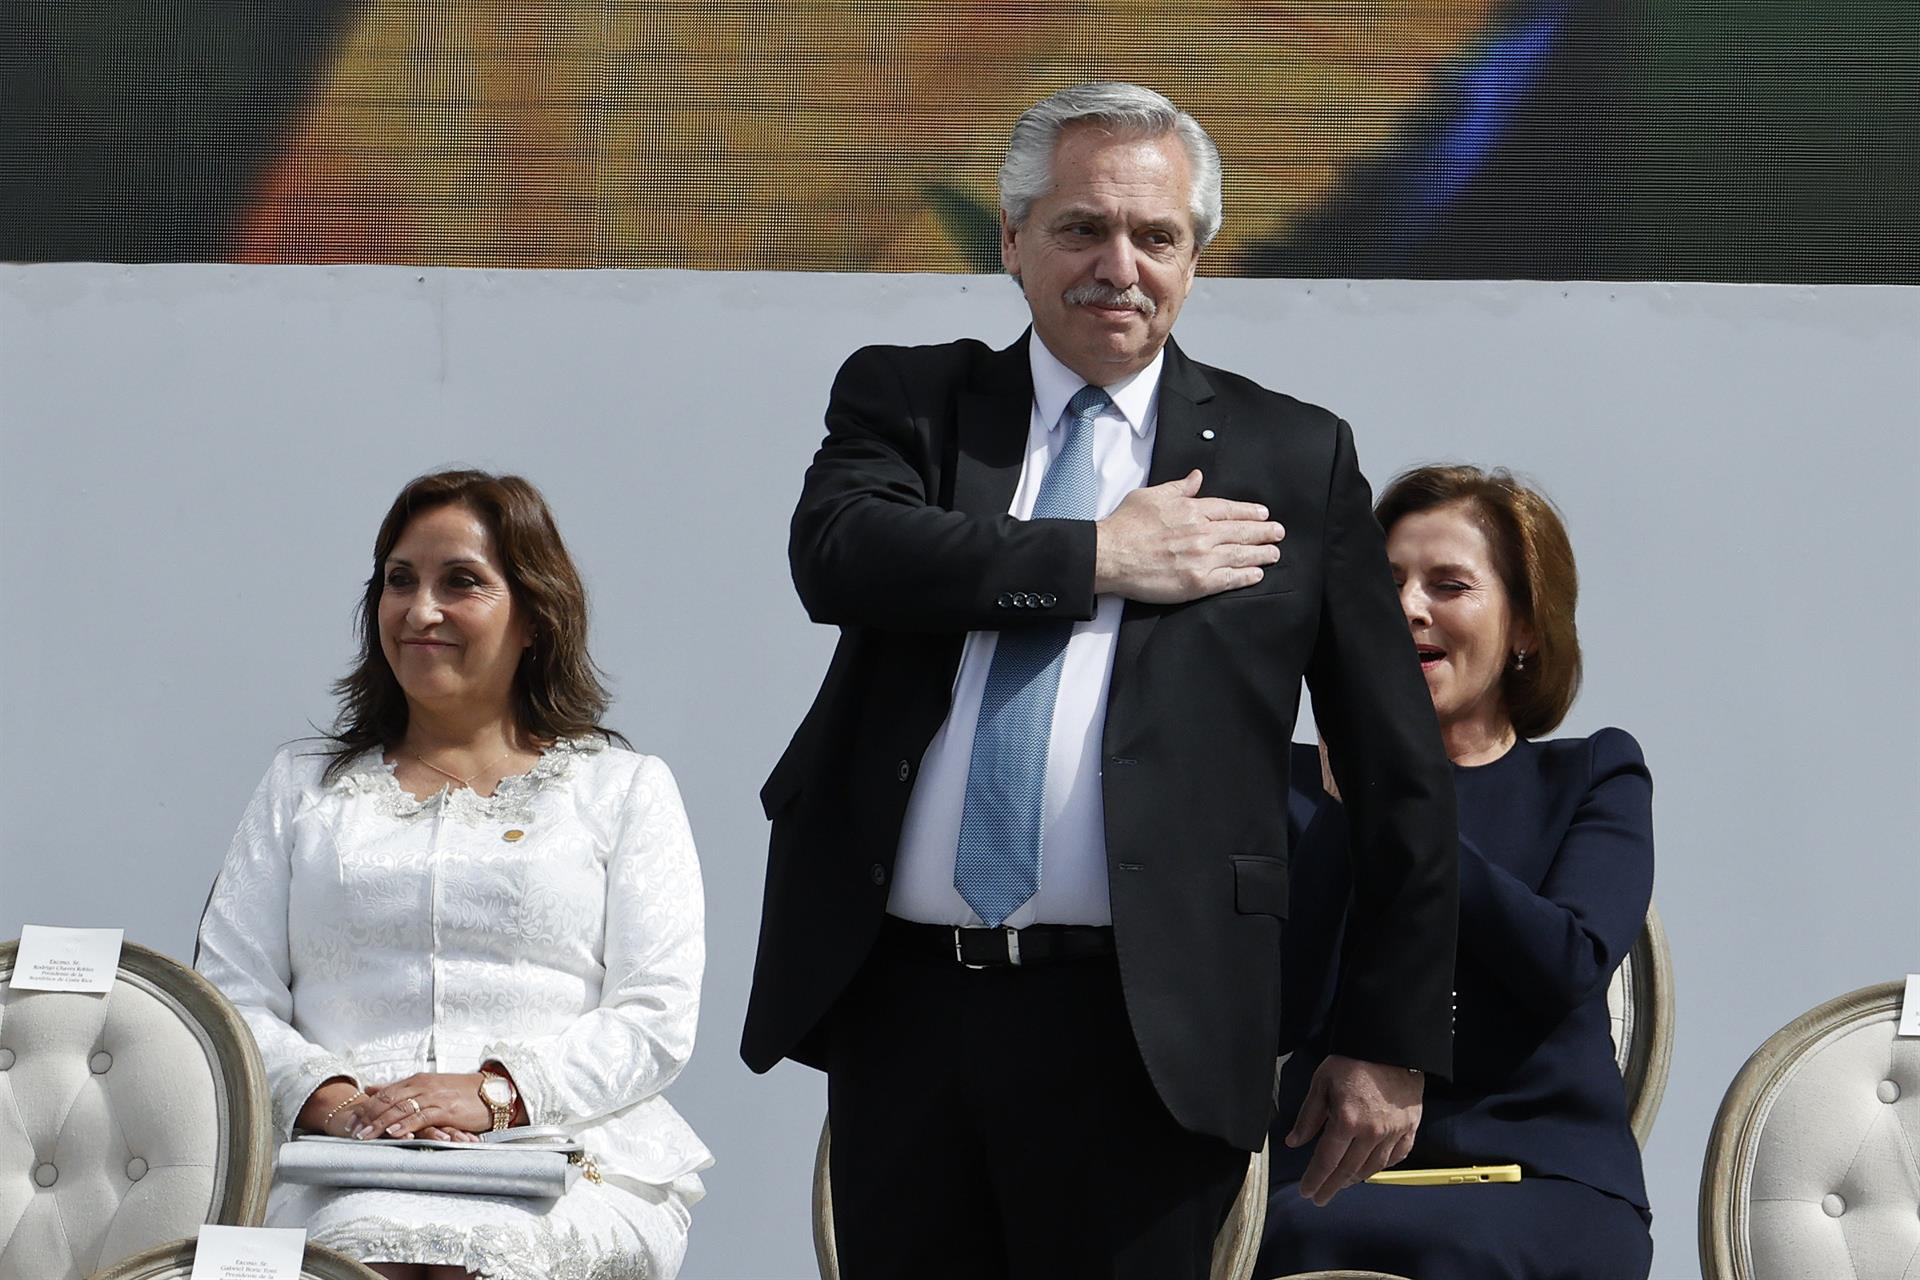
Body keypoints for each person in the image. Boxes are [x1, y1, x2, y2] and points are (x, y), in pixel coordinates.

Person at [740, 82, 1458, 1279]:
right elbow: (842, 553)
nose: (1117, 264)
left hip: (1147, 1029)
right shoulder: (916, 404)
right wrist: (1099, 556)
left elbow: (1400, 770)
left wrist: (1390, 1037)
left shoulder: (1293, 455)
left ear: (1195, 258)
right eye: (1081, 228)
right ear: (1012, 240)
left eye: (1155, 236)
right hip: (909, 1012)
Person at [195, 469, 710, 1280]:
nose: (420, 609)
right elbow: (229, 996)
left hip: (564, 1154)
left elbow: (656, 1015)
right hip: (338, 1161)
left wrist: (500, 1094)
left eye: (460, 581)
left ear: (536, 614)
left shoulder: (623, 789)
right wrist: (339, 1104)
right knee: (369, 1257)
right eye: (400, 581)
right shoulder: (303, 786)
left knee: (475, 1265)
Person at [1257, 464, 1655, 1280]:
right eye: (1386, 583)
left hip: (1538, 1185)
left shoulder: (1592, 776)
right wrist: (1347, 806)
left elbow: (1566, 962)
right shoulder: (1289, 785)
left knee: (1459, 1252)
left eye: (1449, 586)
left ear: (1526, 630)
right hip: (1323, 1186)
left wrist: (1401, 811)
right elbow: (1276, 1005)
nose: (1408, 607)